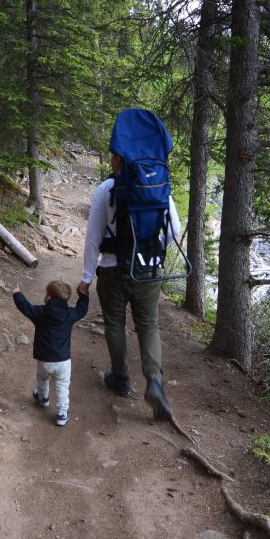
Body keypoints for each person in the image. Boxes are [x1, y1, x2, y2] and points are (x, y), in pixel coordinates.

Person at [78, 152, 181, 421]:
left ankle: (121, 378)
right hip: (148, 272)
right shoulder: (156, 186)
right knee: (148, 325)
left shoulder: (106, 189)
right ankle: (155, 383)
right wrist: (150, 251)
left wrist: (87, 278)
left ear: (118, 160)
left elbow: (93, 237)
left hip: (113, 270)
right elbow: (174, 230)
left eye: (113, 156)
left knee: (115, 324)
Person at [12, 279, 89, 427]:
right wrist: (84, 294)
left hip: (44, 359)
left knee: (42, 378)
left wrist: (17, 294)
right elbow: (82, 309)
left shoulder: (40, 312)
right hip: (63, 361)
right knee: (62, 386)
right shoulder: (70, 314)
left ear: (48, 296)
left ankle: (43, 398)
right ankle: (61, 414)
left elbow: (25, 307)